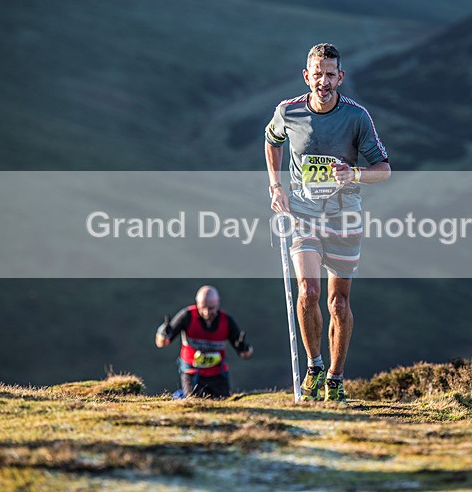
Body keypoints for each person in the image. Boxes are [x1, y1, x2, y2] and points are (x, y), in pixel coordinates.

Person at [264, 43, 391, 402]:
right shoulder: (288, 111)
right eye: (317, 74)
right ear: (307, 76)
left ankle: (335, 378)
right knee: (308, 292)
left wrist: (354, 174)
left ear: (340, 77)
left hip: (344, 216)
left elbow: (384, 170)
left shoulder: (357, 117)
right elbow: (271, 141)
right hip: (302, 214)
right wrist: (276, 186)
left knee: (338, 304)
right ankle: (314, 367)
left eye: (330, 74)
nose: (323, 81)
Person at [155, 285, 253, 399]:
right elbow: (161, 343)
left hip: (218, 375)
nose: (206, 312)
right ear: (197, 302)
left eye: (211, 308)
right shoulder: (187, 316)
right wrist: (163, 333)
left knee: (224, 403)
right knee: (194, 402)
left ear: (218, 303)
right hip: (192, 373)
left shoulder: (226, 321)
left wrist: (244, 348)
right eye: (202, 307)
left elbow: (245, 355)